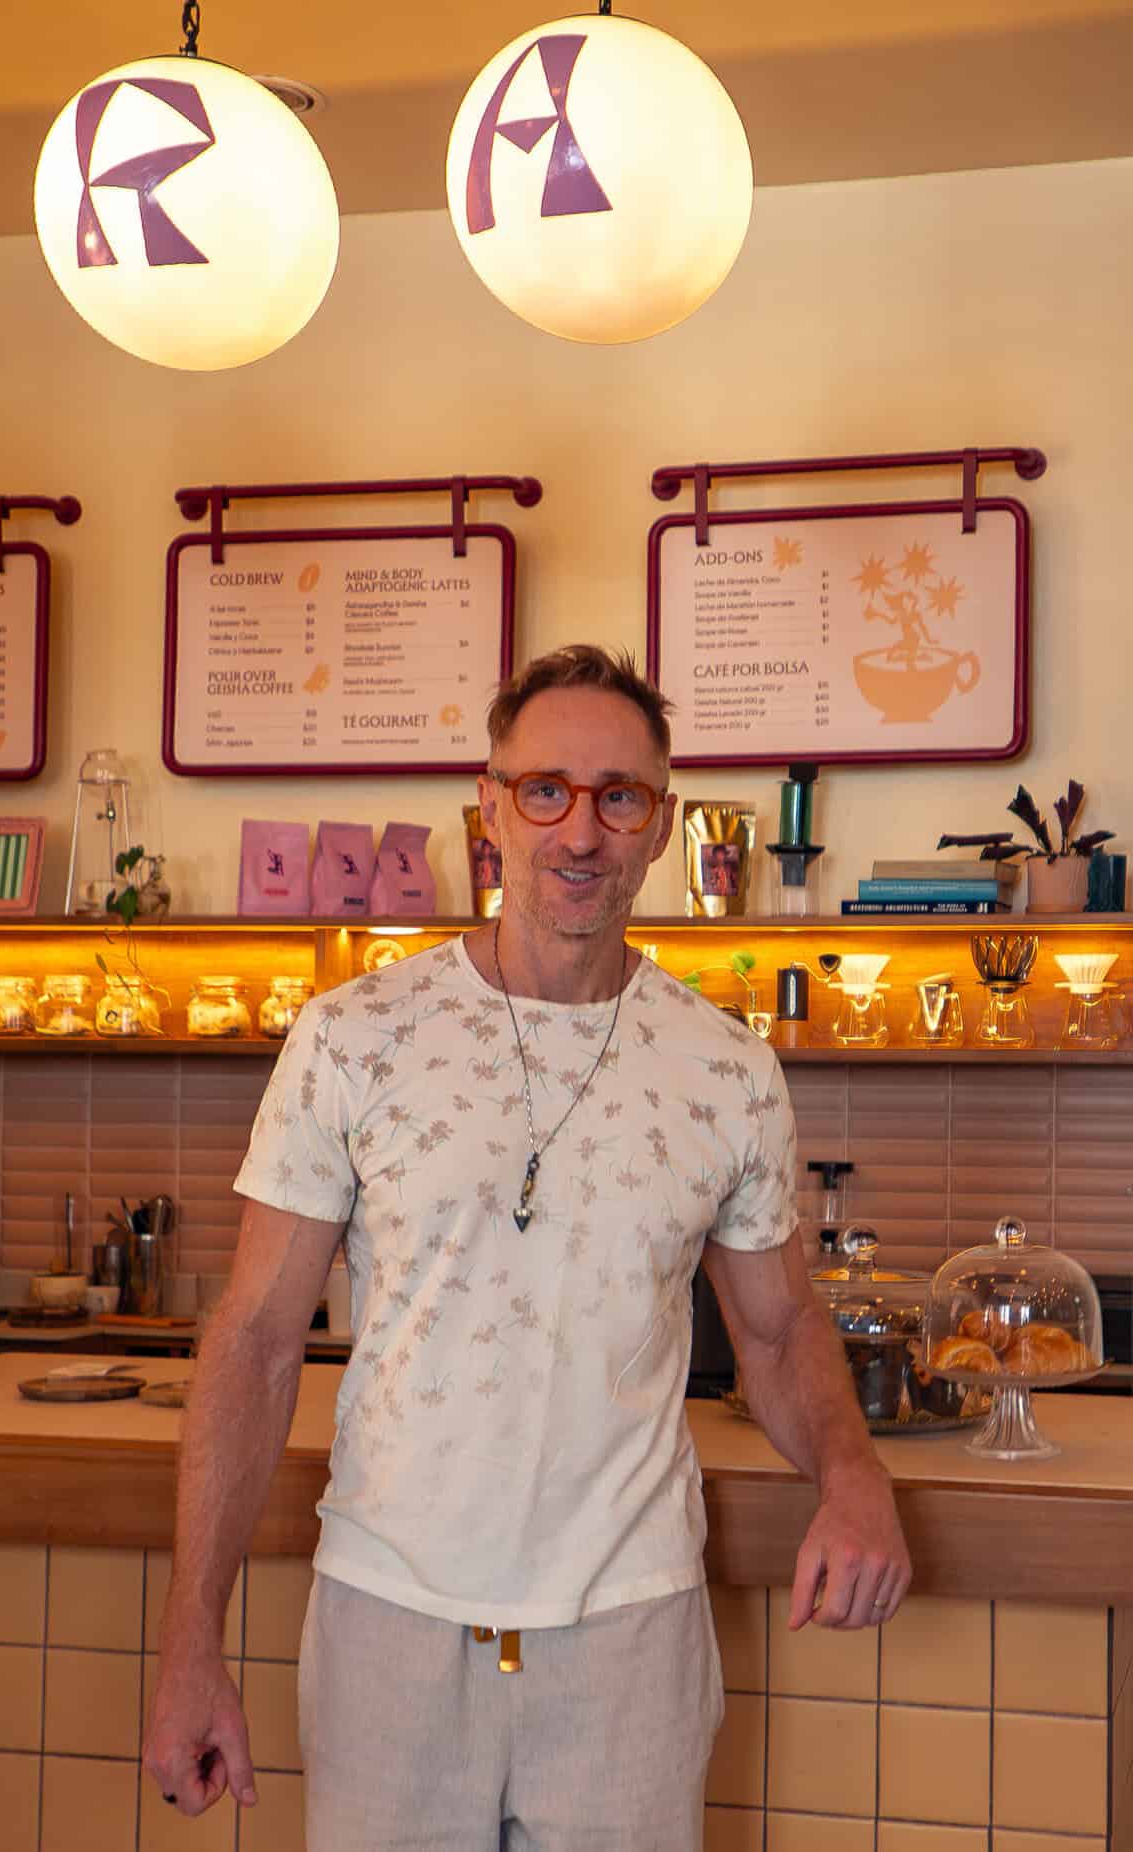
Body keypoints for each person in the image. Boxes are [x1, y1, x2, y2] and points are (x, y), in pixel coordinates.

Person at [144, 643, 910, 1850]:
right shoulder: (354, 1039)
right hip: (388, 1623)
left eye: (620, 796)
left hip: (632, 1636)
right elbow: (253, 1340)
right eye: (545, 789)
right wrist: (191, 1644)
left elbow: (778, 1329)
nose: (582, 829)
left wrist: (856, 1476)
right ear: (489, 808)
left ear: (661, 824)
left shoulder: (725, 1069)